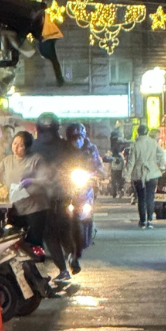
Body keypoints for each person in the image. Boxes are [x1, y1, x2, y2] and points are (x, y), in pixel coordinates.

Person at [29, 112, 78, 281]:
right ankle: (71, 258)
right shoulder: (64, 146)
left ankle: (65, 267)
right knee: (62, 230)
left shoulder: (34, 146)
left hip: (46, 197)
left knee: (51, 234)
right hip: (58, 196)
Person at [0, 130, 49, 245]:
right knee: (15, 242)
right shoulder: (7, 160)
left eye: (21, 145)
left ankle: (34, 262)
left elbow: (46, 180)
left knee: (33, 242)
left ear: (28, 147)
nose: (16, 147)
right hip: (15, 208)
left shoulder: (36, 160)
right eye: (14, 143)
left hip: (34, 209)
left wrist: (31, 181)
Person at [66, 122, 102, 259]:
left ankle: (87, 234)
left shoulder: (91, 148)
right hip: (68, 185)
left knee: (89, 208)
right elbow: (58, 164)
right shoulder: (64, 149)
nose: (77, 140)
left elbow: (97, 164)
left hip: (85, 184)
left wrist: (97, 171)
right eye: (74, 137)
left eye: (79, 137)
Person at [127, 124, 163, 228]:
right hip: (152, 172)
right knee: (150, 197)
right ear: (147, 132)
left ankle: (142, 220)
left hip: (139, 173)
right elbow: (162, 153)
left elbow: (131, 162)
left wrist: (127, 174)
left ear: (138, 132)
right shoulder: (153, 142)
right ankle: (150, 220)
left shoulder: (135, 144)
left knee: (141, 197)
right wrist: (159, 164)